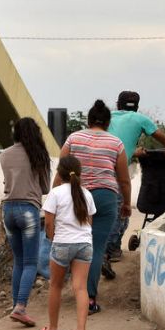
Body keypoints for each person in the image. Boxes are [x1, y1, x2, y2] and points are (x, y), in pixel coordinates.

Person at [59, 99, 131, 315]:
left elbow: (60, 171)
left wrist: (53, 199)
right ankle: (89, 299)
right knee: (96, 247)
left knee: (75, 241)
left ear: (88, 121)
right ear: (108, 124)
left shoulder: (73, 138)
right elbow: (124, 180)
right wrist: (126, 203)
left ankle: (72, 289)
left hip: (76, 196)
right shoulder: (116, 143)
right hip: (105, 197)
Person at [105, 90, 165, 265]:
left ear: (117, 104)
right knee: (121, 210)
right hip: (115, 170)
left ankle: (100, 248)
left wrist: (133, 153)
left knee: (103, 211)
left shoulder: (106, 118)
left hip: (95, 167)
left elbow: (116, 142)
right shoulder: (140, 119)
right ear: (136, 107)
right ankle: (111, 250)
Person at [40, 155, 97, 330]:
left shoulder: (55, 194)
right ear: (79, 173)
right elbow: (90, 222)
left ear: (59, 173)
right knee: (80, 288)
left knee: (56, 286)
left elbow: (48, 222)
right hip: (85, 244)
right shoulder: (86, 194)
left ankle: (53, 329)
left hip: (63, 243)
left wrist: (52, 237)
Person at [0, 117, 51, 326]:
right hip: (29, 210)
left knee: (19, 261)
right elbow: (46, 188)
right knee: (31, 262)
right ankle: (20, 307)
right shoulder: (38, 155)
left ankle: (15, 306)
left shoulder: (4, 154)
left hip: (8, 210)